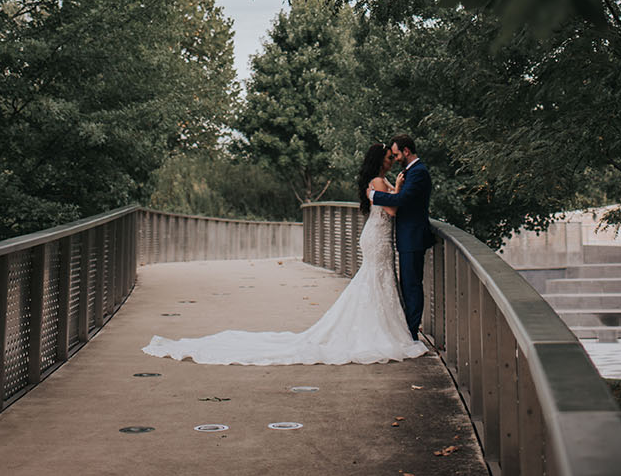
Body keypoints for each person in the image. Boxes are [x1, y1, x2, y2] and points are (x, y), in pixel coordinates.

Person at [141, 142, 428, 366]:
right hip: (377, 238)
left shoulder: (379, 182)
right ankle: (381, 332)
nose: (393, 162)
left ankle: (381, 328)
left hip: (377, 237)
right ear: (380, 161)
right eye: (389, 158)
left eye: (394, 157)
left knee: (376, 283)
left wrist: (397, 190)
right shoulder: (379, 183)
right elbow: (391, 208)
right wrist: (400, 188)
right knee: (376, 282)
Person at [367, 134, 433, 341]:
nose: (395, 159)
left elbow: (402, 200)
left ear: (406, 151)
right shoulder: (410, 172)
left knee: (411, 285)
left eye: (396, 155)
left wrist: (373, 196)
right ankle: (407, 329)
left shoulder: (419, 172)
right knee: (407, 284)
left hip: (413, 237)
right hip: (405, 237)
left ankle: (411, 332)